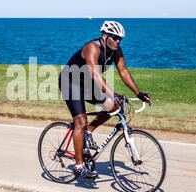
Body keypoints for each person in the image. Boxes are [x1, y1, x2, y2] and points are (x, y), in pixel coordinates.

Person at [59, 21, 151, 180]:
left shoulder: (116, 51)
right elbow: (95, 75)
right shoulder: (92, 48)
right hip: (70, 83)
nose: (117, 41)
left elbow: (123, 71)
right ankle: (79, 166)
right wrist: (112, 92)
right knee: (80, 121)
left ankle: (88, 131)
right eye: (114, 37)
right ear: (104, 35)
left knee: (114, 106)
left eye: (120, 39)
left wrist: (137, 92)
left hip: (87, 84)